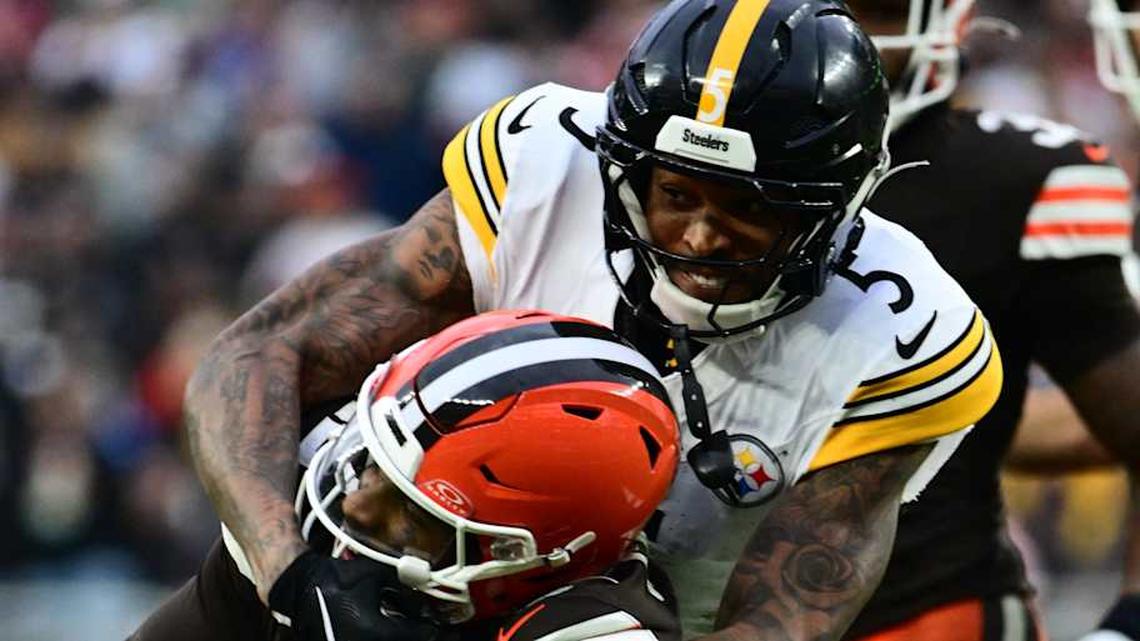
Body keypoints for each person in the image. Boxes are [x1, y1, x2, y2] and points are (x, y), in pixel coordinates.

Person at [183, 1, 1004, 640]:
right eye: (675, 192)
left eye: (747, 207)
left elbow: (785, 613)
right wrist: (292, 574)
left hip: (610, 614)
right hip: (395, 539)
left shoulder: (897, 333)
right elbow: (257, 353)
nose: (699, 234)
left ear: (838, 208)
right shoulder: (544, 167)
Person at [800, 1, 1140, 640]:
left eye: (874, 8)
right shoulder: (621, 147)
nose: (835, 31)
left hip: (921, 612)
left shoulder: (1016, 179)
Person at [131, 310, 683, 641]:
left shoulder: (595, 628)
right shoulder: (309, 512)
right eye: (372, 465)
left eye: (413, 511)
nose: (356, 507)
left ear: (535, 557)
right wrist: (287, 577)